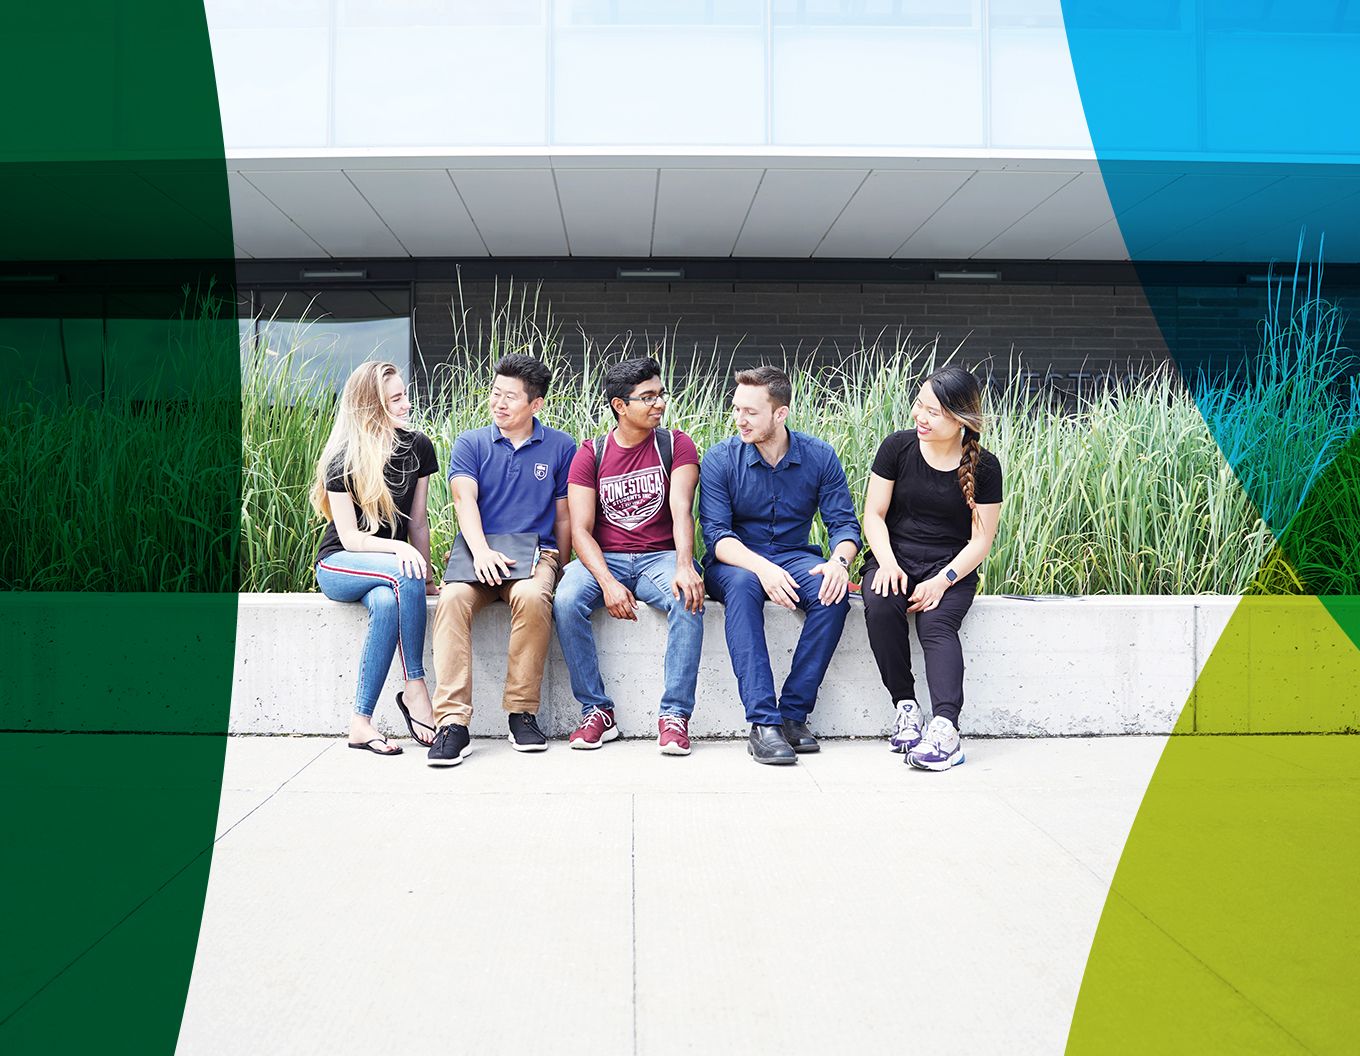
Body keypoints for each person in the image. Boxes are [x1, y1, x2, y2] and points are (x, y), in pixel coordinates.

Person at [699, 365, 861, 765]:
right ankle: (763, 724)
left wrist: (839, 562)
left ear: (780, 413)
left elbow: (843, 524)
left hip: (793, 554)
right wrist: (763, 569)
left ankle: (792, 715)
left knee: (831, 596)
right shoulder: (720, 459)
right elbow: (717, 536)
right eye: (736, 409)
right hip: (737, 559)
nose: (739, 419)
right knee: (743, 587)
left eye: (751, 412)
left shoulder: (819, 456)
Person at [427, 354, 576, 767]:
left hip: (535, 554)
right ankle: (452, 723)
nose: (499, 403)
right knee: (453, 600)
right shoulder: (471, 443)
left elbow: (564, 515)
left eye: (511, 397)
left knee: (531, 597)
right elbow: (463, 499)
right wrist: (481, 551)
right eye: (496, 393)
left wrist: (558, 569)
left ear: (536, 404)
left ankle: (522, 713)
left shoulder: (561, 446)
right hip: (477, 553)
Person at [553, 357, 705, 755]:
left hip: (661, 557)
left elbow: (681, 509)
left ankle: (674, 716)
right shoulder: (592, 453)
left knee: (687, 598)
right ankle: (597, 712)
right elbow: (582, 530)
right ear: (620, 405)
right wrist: (607, 582)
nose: (659, 404)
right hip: (607, 558)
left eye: (660, 395)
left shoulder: (676, 444)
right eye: (648, 397)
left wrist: (686, 565)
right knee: (567, 600)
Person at [860, 366, 1003, 771]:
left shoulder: (984, 468)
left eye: (933, 411)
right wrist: (886, 563)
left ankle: (945, 728)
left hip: (950, 565)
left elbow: (981, 541)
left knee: (936, 624)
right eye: (919, 405)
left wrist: (943, 581)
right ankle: (906, 707)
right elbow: (874, 513)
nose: (920, 416)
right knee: (881, 603)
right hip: (895, 555)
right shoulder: (897, 448)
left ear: (961, 418)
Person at [311, 361, 440, 757]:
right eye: (395, 399)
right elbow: (348, 538)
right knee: (404, 570)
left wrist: (430, 578)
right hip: (340, 564)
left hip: (387, 575)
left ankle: (360, 724)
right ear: (371, 406)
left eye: (404, 395)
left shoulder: (418, 446)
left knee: (387, 603)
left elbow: (418, 524)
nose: (406, 404)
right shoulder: (343, 459)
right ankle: (416, 688)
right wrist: (399, 549)